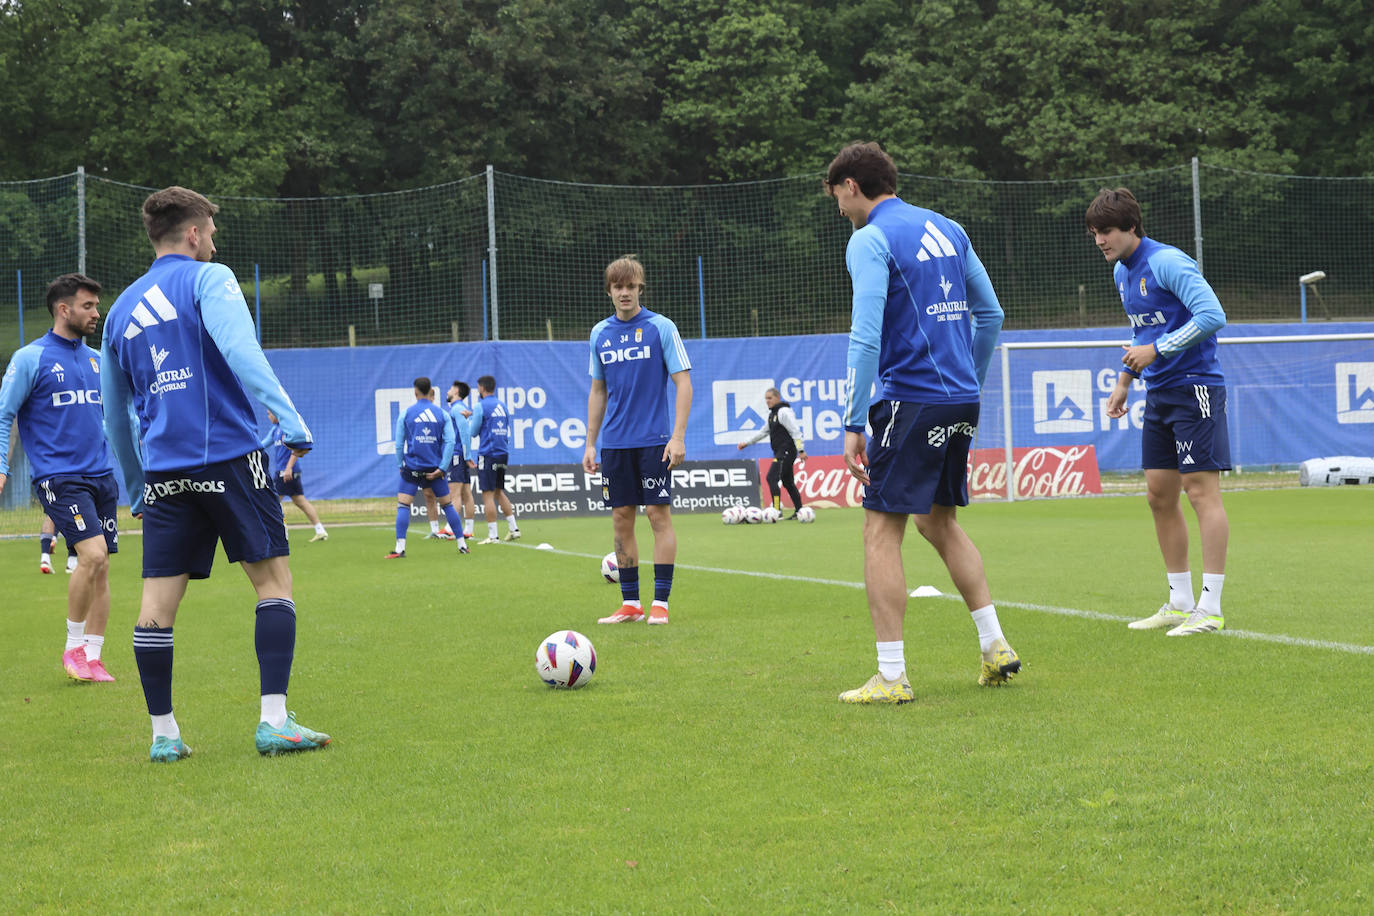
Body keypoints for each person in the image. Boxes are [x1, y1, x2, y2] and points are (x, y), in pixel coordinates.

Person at [101, 185, 331, 762]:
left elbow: (114, 413)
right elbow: (243, 353)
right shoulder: (210, 278)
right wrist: (292, 421)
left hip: (162, 473)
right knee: (273, 584)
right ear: (196, 233)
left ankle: (163, 735)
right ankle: (274, 722)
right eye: (212, 230)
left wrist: (135, 485)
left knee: (157, 603)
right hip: (229, 456)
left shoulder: (121, 310)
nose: (215, 239)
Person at [825, 141, 1018, 704]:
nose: (839, 208)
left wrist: (853, 419)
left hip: (910, 400)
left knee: (880, 529)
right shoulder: (949, 227)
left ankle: (891, 676)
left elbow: (864, 336)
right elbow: (992, 314)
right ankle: (995, 646)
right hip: (959, 398)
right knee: (938, 522)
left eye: (837, 196)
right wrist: (969, 382)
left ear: (852, 187)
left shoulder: (869, 239)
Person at [1087, 187, 1230, 636]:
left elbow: (1212, 314)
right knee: (1158, 494)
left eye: (1107, 231)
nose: (1100, 240)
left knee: (1200, 491)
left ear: (1131, 226)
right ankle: (1179, 600)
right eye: (1094, 233)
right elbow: (1141, 331)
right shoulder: (1121, 274)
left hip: (1195, 388)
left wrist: (1159, 350)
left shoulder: (1167, 261)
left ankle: (1211, 608)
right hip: (1160, 392)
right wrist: (1124, 382)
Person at [0, 273, 120, 682]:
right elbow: (4, 414)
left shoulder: (97, 360)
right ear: (63, 309)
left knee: (102, 567)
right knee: (93, 556)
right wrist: (1, 465)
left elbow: (121, 420)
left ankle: (95, 655)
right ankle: (73, 651)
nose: (96, 313)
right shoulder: (30, 358)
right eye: (88, 306)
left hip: (102, 476)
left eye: (97, 306)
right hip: (59, 477)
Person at [583, 255, 692, 626]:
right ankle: (631, 604)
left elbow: (683, 383)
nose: (624, 292)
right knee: (620, 518)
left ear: (640, 288)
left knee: (657, 515)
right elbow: (598, 392)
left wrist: (677, 437)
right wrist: (589, 443)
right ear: (610, 291)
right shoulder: (600, 334)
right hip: (614, 444)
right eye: (618, 286)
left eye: (631, 286)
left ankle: (660, 602)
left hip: (654, 441)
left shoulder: (661, 327)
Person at [388, 376, 469, 558]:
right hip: (435, 469)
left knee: (403, 506)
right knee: (447, 506)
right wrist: (442, 467)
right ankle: (462, 545)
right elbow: (450, 442)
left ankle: (400, 548)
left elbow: (399, 444)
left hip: (412, 468)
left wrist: (400, 464)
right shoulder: (442, 414)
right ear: (431, 391)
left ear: (415, 392)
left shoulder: (406, 413)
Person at [737, 387, 808, 518]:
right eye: (766, 398)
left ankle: (776, 511)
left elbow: (795, 431)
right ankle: (799, 511)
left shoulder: (784, 412)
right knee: (787, 482)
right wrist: (746, 442)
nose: (767, 401)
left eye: (769, 398)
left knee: (771, 477)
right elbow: (763, 432)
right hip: (781, 452)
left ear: (777, 397)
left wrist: (801, 450)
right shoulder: (772, 415)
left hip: (786, 451)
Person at [467, 374, 520, 544]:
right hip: (502, 452)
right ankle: (514, 528)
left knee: (488, 495)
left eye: (478, 387)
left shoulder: (480, 406)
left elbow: (473, 432)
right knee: (498, 491)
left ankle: (493, 535)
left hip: (488, 454)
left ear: (482, 388)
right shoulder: (503, 405)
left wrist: (469, 418)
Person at [261, 409, 328, 542]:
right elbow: (262, 444)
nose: (268, 416)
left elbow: (296, 450)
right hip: (285, 471)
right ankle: (320, 530)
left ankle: (277, 531)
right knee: (300, 501)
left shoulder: (288, 428)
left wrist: (288, 468)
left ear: (276, 413)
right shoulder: (275, 430)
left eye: (269, 414)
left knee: (272, 502)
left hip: (286, 472)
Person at [440, 379, 477, 540]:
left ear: (455, 391)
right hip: (460, 455)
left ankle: (450, 528)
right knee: (466, 492)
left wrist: (467, 456)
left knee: (454, 494)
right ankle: (468, 530)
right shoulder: (460, 409)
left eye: (449, 388)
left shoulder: (457, 408)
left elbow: (465, 433)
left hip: (457, 455)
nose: (447, 391)